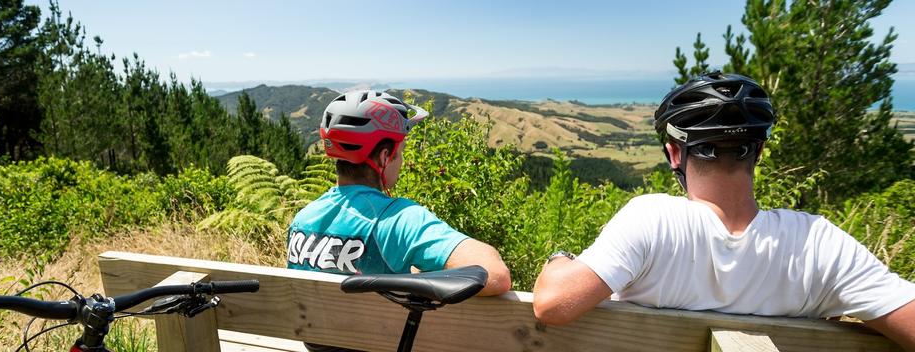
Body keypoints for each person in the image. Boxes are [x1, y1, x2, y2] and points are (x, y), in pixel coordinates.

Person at [532, 72, 915, 349]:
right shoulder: (820, 242)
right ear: (759, 151)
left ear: (675, 153)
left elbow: (553, 304)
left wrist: (559, 259)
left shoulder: (650, 220)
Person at [287, 90, 511, 351]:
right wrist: (420, 277)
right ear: (384, 157)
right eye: (400, 152)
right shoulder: (400, 218)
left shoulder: (304, 217)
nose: (401, 160)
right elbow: (494, 275)